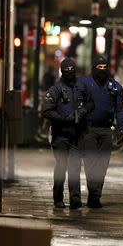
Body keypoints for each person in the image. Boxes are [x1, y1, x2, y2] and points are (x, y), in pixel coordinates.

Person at [42, 58, 94, 209]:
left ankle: (75, 200)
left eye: (72, 70)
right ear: (62, 71)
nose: (70, 73)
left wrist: (83, 110)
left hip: (77, 135)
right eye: (67, 70)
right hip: (60, 135)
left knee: (75, 167)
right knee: (61, 167)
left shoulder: (81, 86)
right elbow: (46, 110)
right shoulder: (56, 89)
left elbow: (91, 103)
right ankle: (58, 198)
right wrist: (64, 119)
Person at [78, 55, 123, 208]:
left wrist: (122, 128)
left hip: (106, 130)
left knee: (102, 165)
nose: (102, 71)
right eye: (99, 68)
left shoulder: (115, 87)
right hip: (88, 129)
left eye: (105, 67)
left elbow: (120, 109)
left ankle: (96, 195)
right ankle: (93, 194)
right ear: (93, 68)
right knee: (91, 163)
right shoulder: (84, 83)